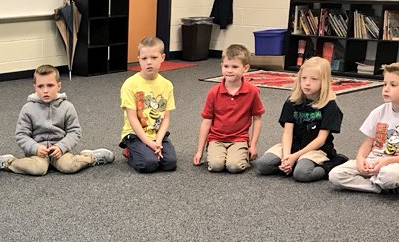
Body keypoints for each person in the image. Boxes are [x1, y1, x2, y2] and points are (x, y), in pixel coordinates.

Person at [0, 64, 114, 175]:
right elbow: (21, 135)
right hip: (37, 153)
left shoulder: (67, 107)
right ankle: (7, 162)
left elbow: (75, 132)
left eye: (50, 85)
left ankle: (91, 157)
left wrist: (61, 147)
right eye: (40, 86)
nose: (45, 90)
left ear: (59, 86)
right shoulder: (27, 108)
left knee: (68, 166)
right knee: (39, 169)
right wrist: (35, 148)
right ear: (35, 87)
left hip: (60, 150)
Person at [253, 57, 343, 181]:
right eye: (304, 78)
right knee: (262, 165)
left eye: (314, 79)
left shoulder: (329, 105)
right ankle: (291, 164)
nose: (307, 83)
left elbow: (321, 140)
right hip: (293, 146)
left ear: (324, 81)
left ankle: (332, 164)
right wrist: (286, 157)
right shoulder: (292, 101)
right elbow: (287, 133)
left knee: (301, 174)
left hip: (315, 149)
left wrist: (295, 156)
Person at [329, 61, 399, 193]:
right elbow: (368, 143)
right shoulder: (379, 112)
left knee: (389, 175)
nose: (386, 89)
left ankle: (383, 181)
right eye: (384, 84)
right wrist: (361, 159)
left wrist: (386, 162)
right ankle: (379, 187)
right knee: (336, 175)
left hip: (393, 164)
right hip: (373, 160)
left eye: (393, 85)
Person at [193, 43, 264, 172]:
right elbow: (206, 121)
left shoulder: (253, 91)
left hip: (239, 139)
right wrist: (199, 151)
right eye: (226, 66)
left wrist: (253, 145)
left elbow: (257, 119)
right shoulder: (213, 92)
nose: (229, 70)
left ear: (245, 68)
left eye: (235, 67)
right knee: (216, 165)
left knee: (234, 167)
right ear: (221, 66)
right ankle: (220, 153)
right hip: (216, 139)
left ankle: (242, 155)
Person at [119, 37, 177, 172]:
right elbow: (132, 118)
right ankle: (131, 152)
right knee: (149, 164)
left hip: (157, 133)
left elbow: (166, 118)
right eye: (144, 58)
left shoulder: (167, 85)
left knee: (170, 163)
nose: (149, 62)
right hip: (135, 134)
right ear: (138, 59)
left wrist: (158, 141)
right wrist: (149, 143)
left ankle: (146, 150)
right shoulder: (130, 84)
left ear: (162, 58)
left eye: (154, 57)